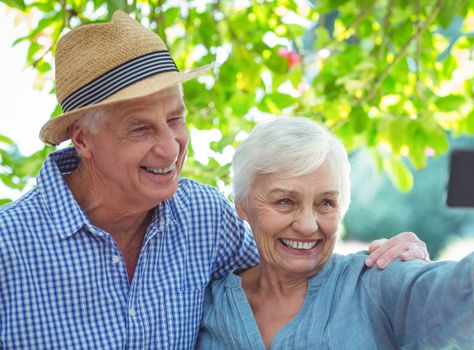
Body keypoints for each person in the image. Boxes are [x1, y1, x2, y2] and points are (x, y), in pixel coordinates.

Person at [0, 11, 430, 349]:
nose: (171, 148)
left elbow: (290, 278)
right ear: (83, 139)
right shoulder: (9, 249)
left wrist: (396, 269)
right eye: (141, 129)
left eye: (175, 119)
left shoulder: (203, 215)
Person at [197, 116, 474, 350]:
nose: (309, 225)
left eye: (326, 203)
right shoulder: (208, 303)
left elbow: (449, 297)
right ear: (242, 204)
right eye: (285, 201)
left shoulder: (375, 280)